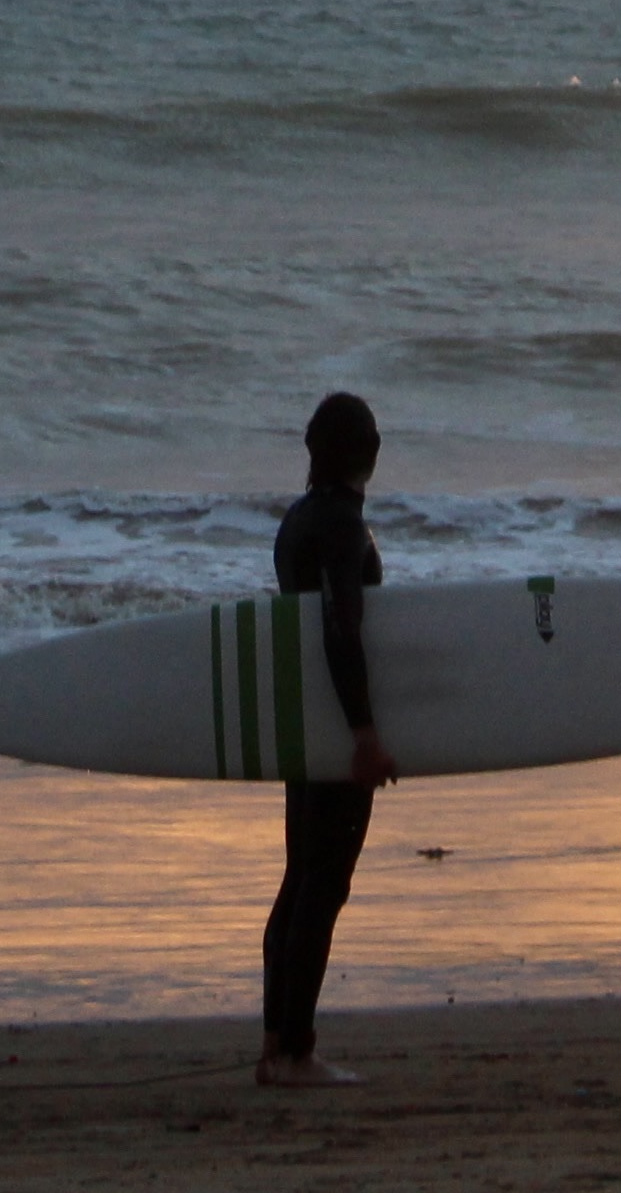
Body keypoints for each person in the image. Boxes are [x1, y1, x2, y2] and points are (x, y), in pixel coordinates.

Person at [257, 389, 400, 1087]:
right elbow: (342, 631)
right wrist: (366, 733)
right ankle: (294, 1053)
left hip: (302, 721)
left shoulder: (296, 521)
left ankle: (276, 1042)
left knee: (299, 882)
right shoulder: (343, 527)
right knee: (324, 885)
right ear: (369, 456)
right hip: (339, 729)